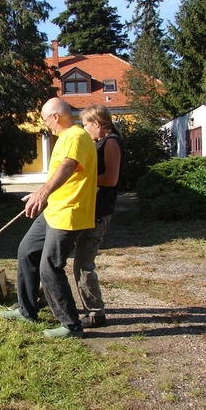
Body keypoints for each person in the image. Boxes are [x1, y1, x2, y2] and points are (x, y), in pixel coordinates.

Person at [0, 97, 97, 339]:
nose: (46, 125)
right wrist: (44, 196)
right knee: (27, 250)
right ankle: (27, 310)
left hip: (69, 212)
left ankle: (71, 325)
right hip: (54, 209)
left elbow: (68, 165)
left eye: (45, 120)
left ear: (56, 116)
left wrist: (42, 192)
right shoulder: (65, 137)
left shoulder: (76, 136)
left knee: (50, 267)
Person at [73, 104, 124, 328]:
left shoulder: (111, 142)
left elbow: (111, 179)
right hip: (89, 210)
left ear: (97, 124)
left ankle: (96, 313)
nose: (85, 129)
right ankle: (46, 298)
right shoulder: (100, 141)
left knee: (83, 264)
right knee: (58, 254)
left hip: (99, 213)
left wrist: (84, 180)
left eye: (86, 124)